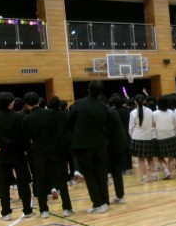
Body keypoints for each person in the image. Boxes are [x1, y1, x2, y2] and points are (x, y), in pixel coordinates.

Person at [0, 91, 34, 220]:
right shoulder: (19, 117)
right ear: (11, 103)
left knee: (3, 184)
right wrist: (26, 149)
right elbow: (26, 135)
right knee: (23, 183)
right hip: (18, 153)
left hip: (2, 154)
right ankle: (27, 210)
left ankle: (6, 213)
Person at [22, 92, 74, 218]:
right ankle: (67, 208)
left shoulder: (26, 119)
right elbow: (59, 129)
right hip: (56, 151)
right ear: (39, 101)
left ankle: (44, 210)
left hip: (39, 153)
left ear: (27, 104)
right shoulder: (51, 113)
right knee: (61, 180)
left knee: (40, 181)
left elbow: (26, 139)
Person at [68, 80, 111, 214]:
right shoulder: (103, 106)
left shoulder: (79, 104)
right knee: (101, 173)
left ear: (88, 89)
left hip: (84, 145)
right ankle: (105, 201)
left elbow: (70, 123)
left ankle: (98, 204)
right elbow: (107, 124)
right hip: (100, 144)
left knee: (89, 174)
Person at [129, 94, 156, 182]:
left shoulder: (132, 113)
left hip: (137, 137)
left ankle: (144, 177)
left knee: (141, 159)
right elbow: (153, 124)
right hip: (148, 137)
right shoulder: (150, 111)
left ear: (135, 102)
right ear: (144, 101)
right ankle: (154, 175)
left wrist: (133, 136)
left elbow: (130, 128)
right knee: (150, 158)